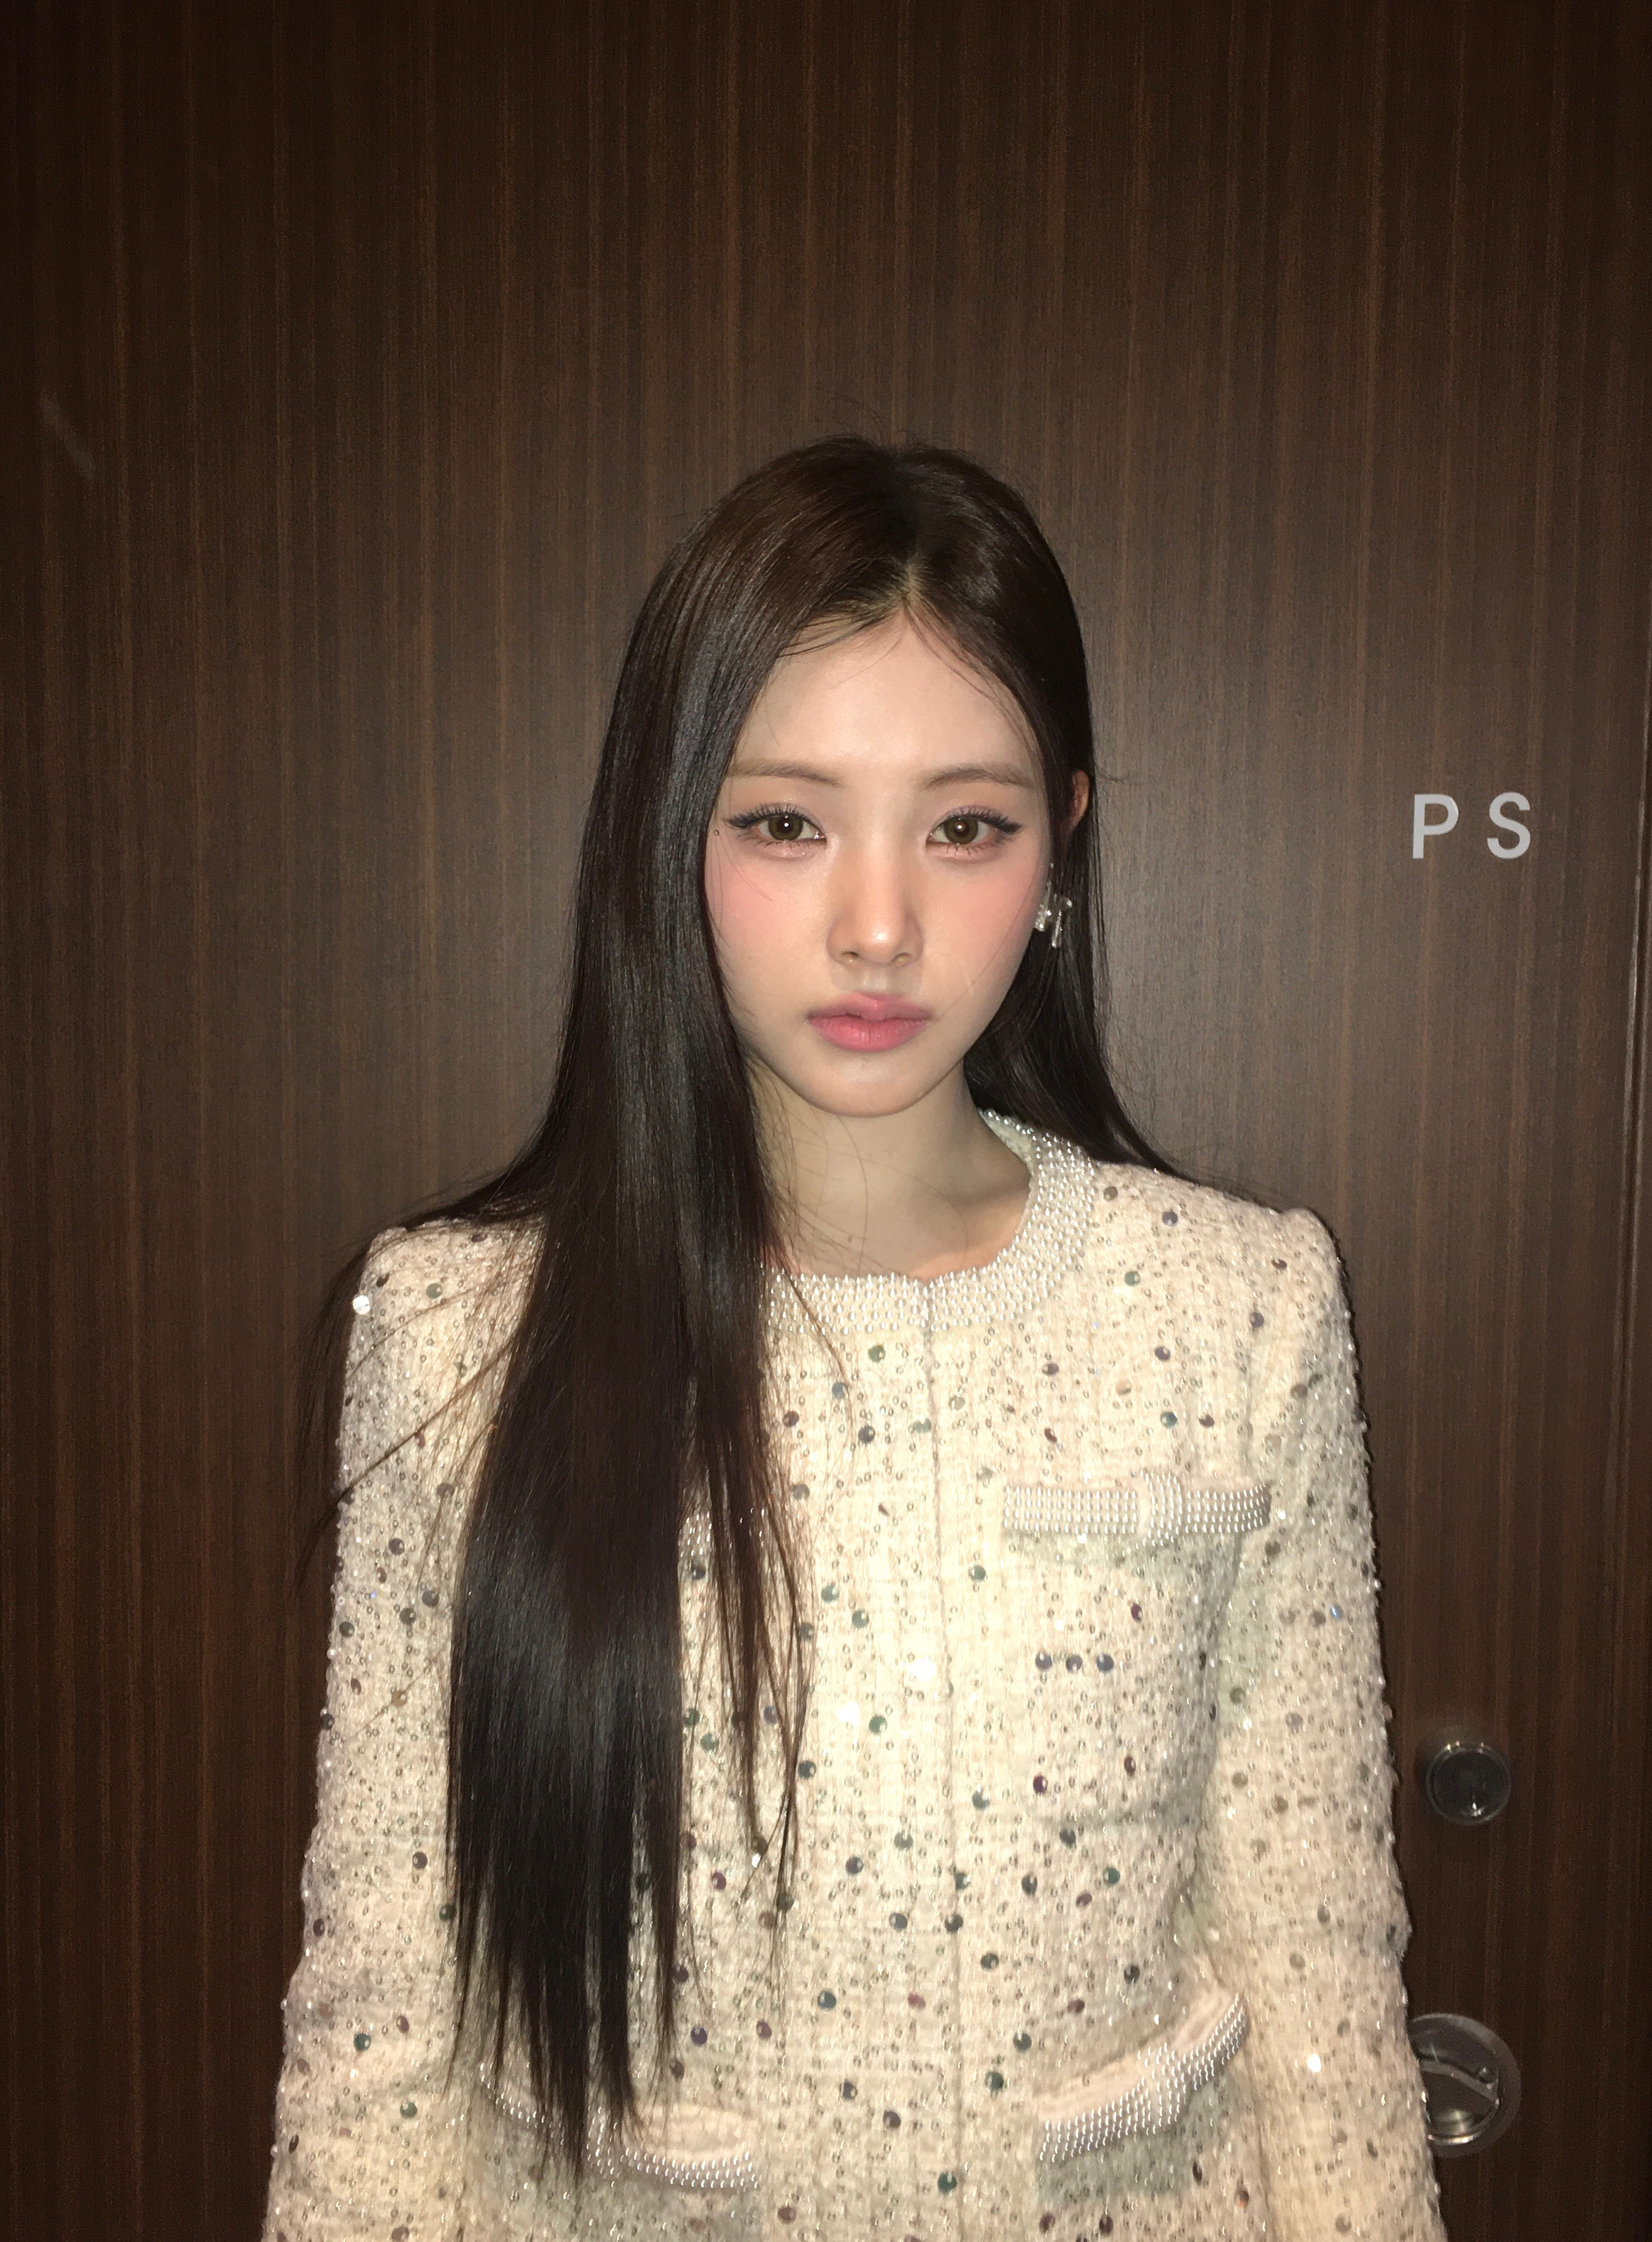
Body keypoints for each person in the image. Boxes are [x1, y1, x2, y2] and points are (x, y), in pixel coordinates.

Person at [263, 437, 1446, 2241]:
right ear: (673, 837)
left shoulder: (1243, 1316)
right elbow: (379, 2033)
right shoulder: (454, 1340)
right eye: (785, 823)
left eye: (965, 827)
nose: (879, 927)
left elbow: (1323, 1981)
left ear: (1060, 845)